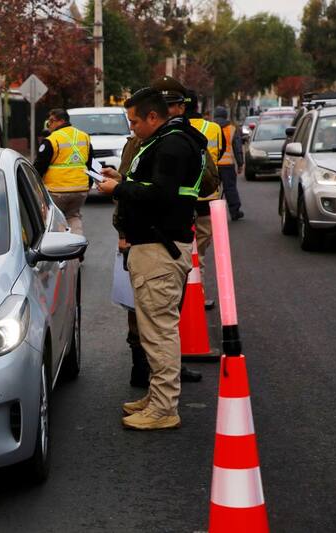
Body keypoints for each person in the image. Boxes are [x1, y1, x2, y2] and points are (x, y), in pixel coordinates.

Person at [97, 87, 206, 430]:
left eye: (134, 122)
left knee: (159, 332)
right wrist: (124, 179)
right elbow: (155, 186)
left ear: (153, 117)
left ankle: (163, 408)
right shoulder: (166, 141)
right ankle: (158, 397)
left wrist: (118, 190)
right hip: (155, 246)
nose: (132, 129)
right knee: (153, 330)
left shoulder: (171, 145)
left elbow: (159, 195)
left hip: (160, 249)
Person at [184, 89, 224, 309]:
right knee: (200, 251)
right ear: (198, 106)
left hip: (181, 198)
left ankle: (183, 293)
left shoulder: (172, 129)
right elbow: (219, 154)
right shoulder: (213, 129)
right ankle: (198, 293)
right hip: (207, 198)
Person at [34, 108, 93, 235]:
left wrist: (34, 186)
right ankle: (76, 249)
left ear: (61, 121)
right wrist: (88, 184)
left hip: (57, 191)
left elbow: (39, 167)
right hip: (80, 190)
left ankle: (63, 250)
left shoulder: (52, 140)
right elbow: (89, 164)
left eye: (51, 121)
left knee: (56, 220)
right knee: (73, 217)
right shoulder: (84, 136)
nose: (49, 125)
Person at [214, 106, 244, 220]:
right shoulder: (232, 128)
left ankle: (211, 212)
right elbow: (237, 148)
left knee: (212, 190)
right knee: (230, 188)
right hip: (227, 165)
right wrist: (240, 164)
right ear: (226, 116)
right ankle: (234, 212)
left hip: (213, 165)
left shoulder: (210, 127)